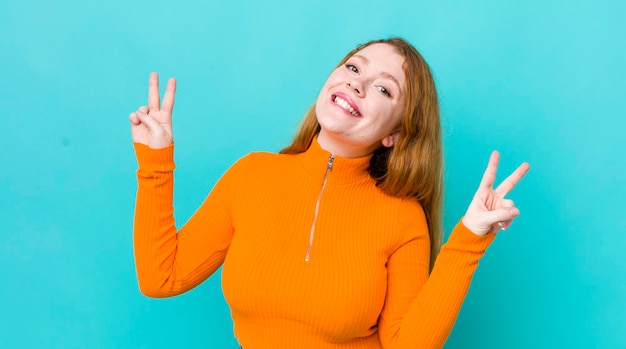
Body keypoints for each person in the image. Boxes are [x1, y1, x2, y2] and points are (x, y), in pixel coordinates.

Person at [129, 38, 529, 349]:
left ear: (395, 134)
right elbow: (162, 277)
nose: (357, 82)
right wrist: (155, 162)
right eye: (354, 67)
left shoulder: (402, 217)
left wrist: (469, 239)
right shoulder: (252, 174)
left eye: (384, 90)